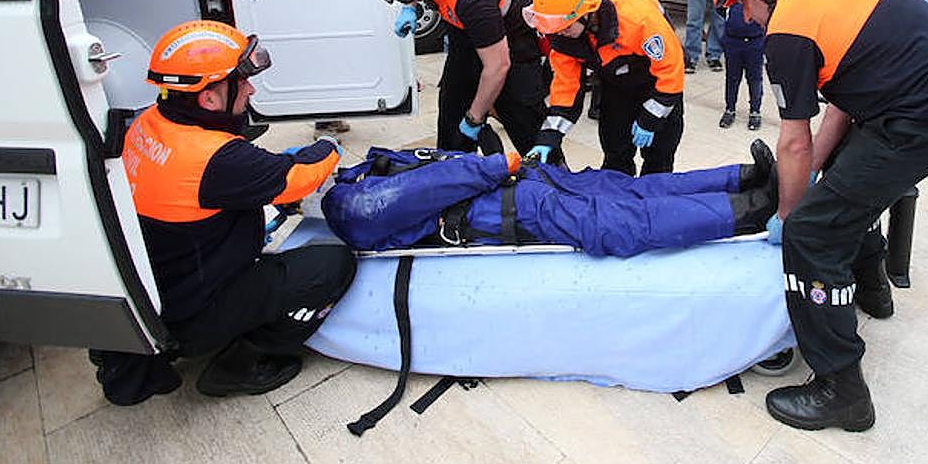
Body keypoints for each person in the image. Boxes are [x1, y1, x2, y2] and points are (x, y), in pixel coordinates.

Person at [714, 0, 928, 431]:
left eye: (740, 1)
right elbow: (844, 93)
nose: (742, 16)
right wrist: (820, 172)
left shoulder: (787, 31)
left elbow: (793, 141)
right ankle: (871, 287)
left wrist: (788, 216)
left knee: (815, 231)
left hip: (925, 117)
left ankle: (841, 388)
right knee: (843, 188)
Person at [92, 21, 353, 405]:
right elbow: (300, 176)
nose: (250, 88)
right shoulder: (217, 160)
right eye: (240, 81)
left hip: (155, 291)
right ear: (209, 100)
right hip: (192, 313)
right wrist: (329, 146)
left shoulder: (147, 123)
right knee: (333, 264)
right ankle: (243, 361)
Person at [324, 142, 778, 258]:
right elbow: (429, 189)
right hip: (505, 204)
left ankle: (739, 179)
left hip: (515, 187)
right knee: (618, 221)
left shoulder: (365, 172)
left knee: (628, 189)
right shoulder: (349, 207)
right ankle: (748, 209)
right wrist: (494, 166)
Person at [373, 0, 548, 155]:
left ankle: (551, 175)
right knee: (452, 112)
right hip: (461, 27)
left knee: (523, 116)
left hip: (511, 35)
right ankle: (454, 169)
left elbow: (498, 66)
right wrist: (411, 6)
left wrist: (475, 118)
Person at [526, 0, 685, 175]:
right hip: (616, 87)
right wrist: (549, 136)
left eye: (563, 26)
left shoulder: (636, 17)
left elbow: (671, 69)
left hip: (655, 84)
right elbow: (566, 89)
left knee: (659, 162)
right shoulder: (565, 37)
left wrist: (652, 117)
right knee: (615, 155)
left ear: (587, 13)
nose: (558, 33)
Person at [721, 0, 766, 131]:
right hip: (733, 42)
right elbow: (719, 9)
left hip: (755, 42)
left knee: (755, 79)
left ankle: (755, 111)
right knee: (732, 79)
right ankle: (730, 109)